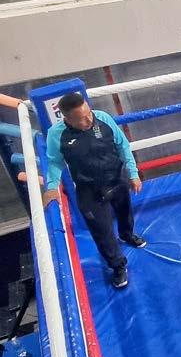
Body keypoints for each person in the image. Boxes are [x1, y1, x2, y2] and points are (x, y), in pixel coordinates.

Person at [43, 93, 145, 288]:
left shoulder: (102, 118)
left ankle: (127, 234)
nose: (89, 119)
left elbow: (123, 145)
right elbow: (55, 162)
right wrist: (52, 187)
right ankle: (117, 266)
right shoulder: (56, 134)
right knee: (102, 231)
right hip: (88, 189)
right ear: (67, 119)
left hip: (117, 178)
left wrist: (133, 173)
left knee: (125, 212)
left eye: (89, 113)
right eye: (82, 118)